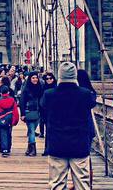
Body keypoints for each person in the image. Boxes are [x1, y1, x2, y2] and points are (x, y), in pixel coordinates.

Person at [40, 62, 97, 190]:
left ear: (59, 75)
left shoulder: (49, 94)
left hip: (57, 143)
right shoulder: (85, 94)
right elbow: (92, 103)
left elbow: (43, 106)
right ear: (74, 75)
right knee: (82, 184)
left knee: (57, 183)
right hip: (79, 144)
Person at [0, 85, 19, 157]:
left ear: (1, 93)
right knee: (9, 133)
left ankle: (3, 149)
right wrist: (15, 121)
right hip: (10, 119)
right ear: (8, 92)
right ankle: (8, 148)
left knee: (2, 134)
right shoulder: (12, 100)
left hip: (1, 119)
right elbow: (15, 111)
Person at [19, 71, 43, 156]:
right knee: (32, 131)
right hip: (28, 112)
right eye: (33, 78)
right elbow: (22, 102)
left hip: (38, 113)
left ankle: (29, 148)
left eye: (36, 77)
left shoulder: (40, 88)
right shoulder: (26, 89)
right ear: (30, 79)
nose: (35, 79)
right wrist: (22, 114)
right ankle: (33, 150)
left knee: (31, 131)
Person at [77, 69, 97, 143]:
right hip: (87, 122)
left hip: (76, 124)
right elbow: (92, 104)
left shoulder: (76, 91)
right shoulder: (90, 91)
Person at [39, 72, 57, 154]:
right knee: (48, 131)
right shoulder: (43, 89)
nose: (49, 80)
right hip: (46, 113)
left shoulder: (56, 88)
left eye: (50, 78)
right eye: (47, 79)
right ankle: (47, 149)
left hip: (55, 113)